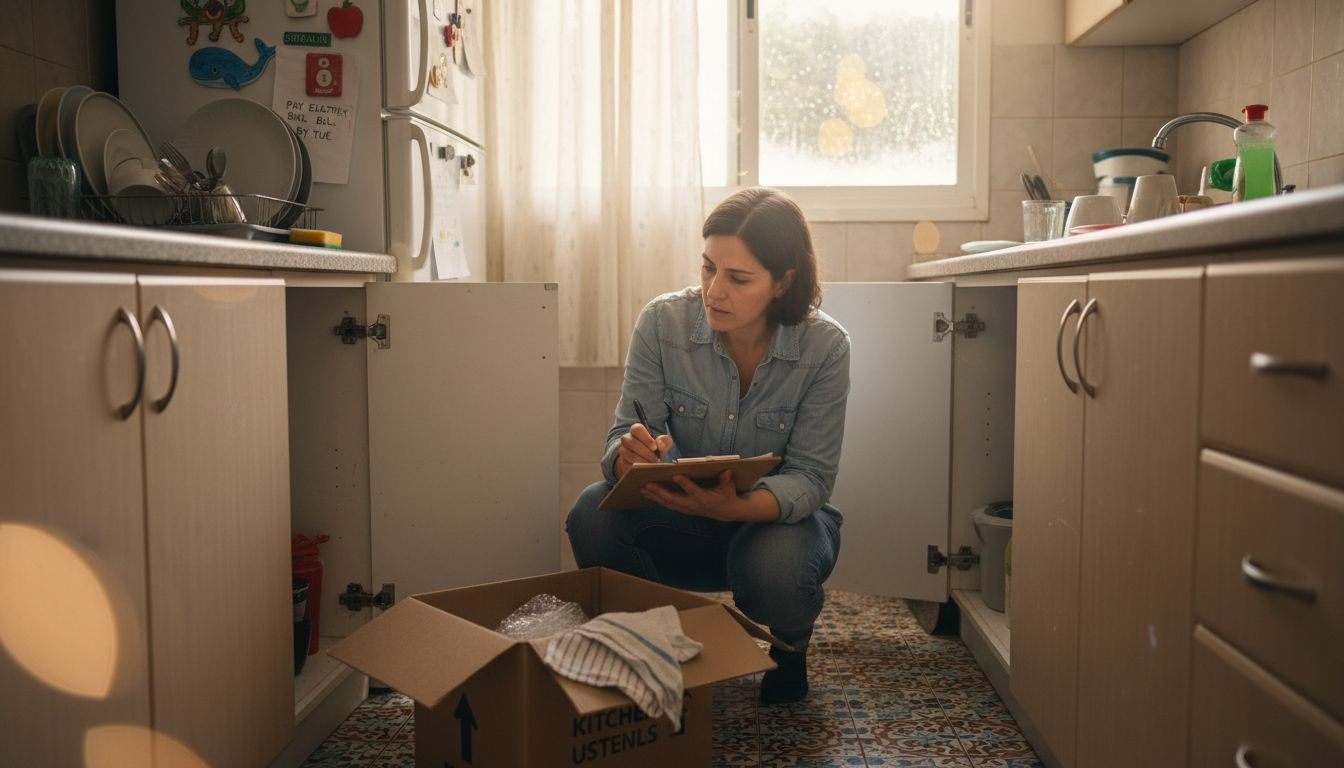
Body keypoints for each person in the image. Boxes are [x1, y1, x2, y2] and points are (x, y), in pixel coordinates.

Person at [565, 186, 850, 705]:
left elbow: (811, 478)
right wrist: (627, 458)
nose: (715, 291)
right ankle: (652, 647)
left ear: (783, 282)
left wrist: (735, 506)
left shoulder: (825, 346)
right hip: (683, 517)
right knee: (590, 512)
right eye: (708, 268)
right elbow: (620, 437)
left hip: (772, 526)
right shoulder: (662, 322)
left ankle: (789, 647)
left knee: (780, 570)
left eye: (738, 278)